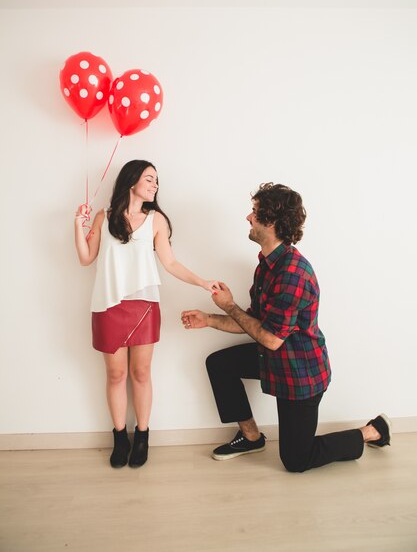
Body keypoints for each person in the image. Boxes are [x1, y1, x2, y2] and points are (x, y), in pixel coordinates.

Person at [181, 183, 391, 472]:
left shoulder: (292, 273)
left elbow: (269, 339)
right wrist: (209, 319)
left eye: (254, 212)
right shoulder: (266, 266)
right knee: (219, 364)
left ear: (272, 222)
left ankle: (372, 431)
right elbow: (254, 321)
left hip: (300, 373)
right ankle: (251, 436)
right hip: (275, 359)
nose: (248, 218)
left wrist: (229, 306)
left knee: (296, 460)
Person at [75, 160, 219, 469]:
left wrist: (203, 282)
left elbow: (170, 263)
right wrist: (78, 224)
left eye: (157, 181)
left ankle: (142, 435)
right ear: (131, 181)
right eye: (149, 179)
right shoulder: (105, 216)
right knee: (116, 375)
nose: (155, 185)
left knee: (141, 373)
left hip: (143, 306)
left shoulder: (156, 221)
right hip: (108, 305)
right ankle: (119, 437)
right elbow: (86, 258)